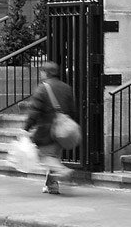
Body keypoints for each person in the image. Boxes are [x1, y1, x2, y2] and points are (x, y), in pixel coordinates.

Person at [24, 61, 77, 194]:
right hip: (62, 129)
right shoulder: (66, 87)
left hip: (46, 129)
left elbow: (35, 110)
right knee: (53, 156)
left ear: (45, 73)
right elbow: (72, 109)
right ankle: (52, 185)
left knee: (44, 156)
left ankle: (63, 171)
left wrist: (26, 127)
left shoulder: (43, 88)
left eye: (42, 71)